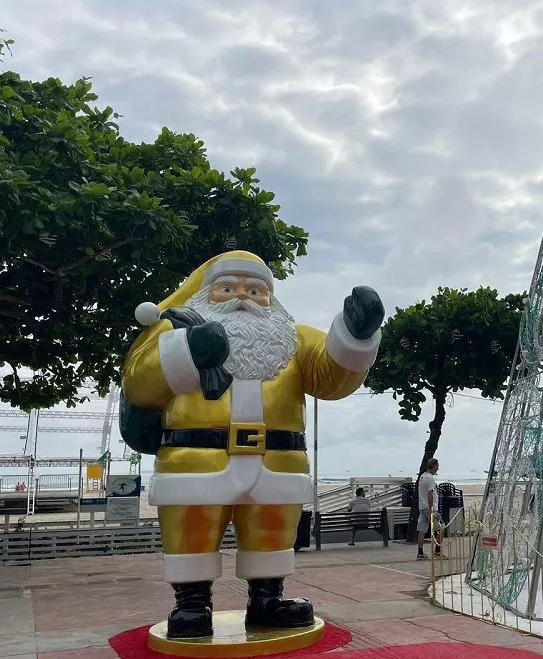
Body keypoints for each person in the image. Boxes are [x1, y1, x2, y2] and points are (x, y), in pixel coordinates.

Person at [121, 248, 384, 638]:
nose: (243, 296)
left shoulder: (294, 339)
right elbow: (139, 384)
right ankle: (191, 602)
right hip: (196, 457)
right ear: (205, 292)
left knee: (272, 530)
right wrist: (188, 353)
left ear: (272, 298)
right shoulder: (173, 330)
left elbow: (332, 378)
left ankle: (268, 598)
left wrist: (357, 334)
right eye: (227, 287)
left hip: (278, 460)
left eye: (256, 290)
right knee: (192, 528)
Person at [417, 457, 445, 560]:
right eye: (437, 466)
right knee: (442, 527)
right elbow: (430, 494)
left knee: (422, 529)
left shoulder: (422, 477)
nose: (438, 468)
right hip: (430, 509)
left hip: (422, 507)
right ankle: (437, 551)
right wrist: (431, 509)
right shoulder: (430, 478)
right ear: (433, 466)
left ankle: (420, 552)